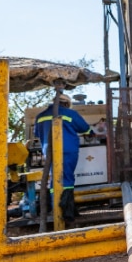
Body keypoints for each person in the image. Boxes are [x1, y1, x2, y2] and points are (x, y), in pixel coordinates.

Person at [33, 92, 94, 226]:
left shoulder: (40, 116)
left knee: (54, 179)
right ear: (66, 103)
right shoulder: (70, 114)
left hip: (49, 152)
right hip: (67, 151)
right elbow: (85, 128)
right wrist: (92, 133)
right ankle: (65, 212)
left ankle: (55, 208)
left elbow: (36, 133)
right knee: (67, 178)